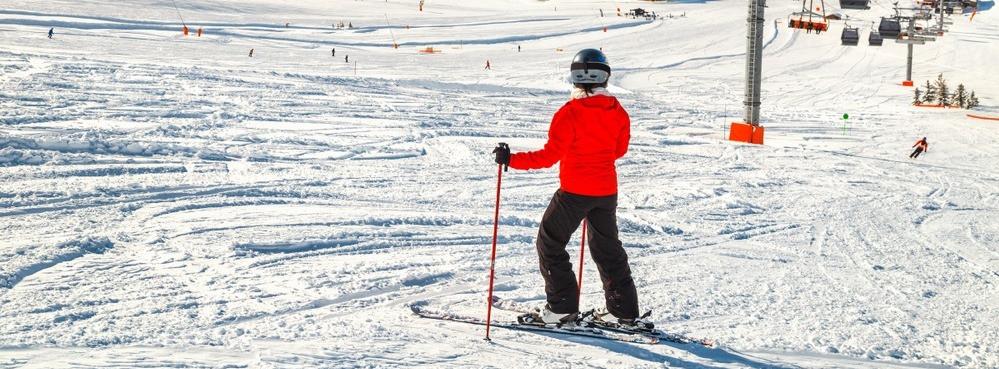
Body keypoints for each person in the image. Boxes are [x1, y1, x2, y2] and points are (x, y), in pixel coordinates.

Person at [492, 49, 650, 329]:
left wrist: (512, 160)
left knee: (549, 244)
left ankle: (562, 309)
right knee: (607, 250)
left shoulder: (569, 113)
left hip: (575, 192)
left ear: (575, 80)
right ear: (605, 79)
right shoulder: (617, 111)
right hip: (605, 192)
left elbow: (549, 155)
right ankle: (623, 312)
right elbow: (619, 149)